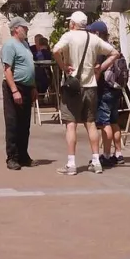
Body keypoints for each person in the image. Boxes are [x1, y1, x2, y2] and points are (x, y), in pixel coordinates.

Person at [52, 11, 117, 175]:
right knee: (91, 123)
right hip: (91, 86)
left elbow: (55, 50)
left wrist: (63, 66)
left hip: (73, 86)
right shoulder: (93, 38)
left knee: (71, 124)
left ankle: (71, 164)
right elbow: (114, 53)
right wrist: (100, 68)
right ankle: (96, 161)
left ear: (73, 24)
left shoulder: (69, 36)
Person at [89, 20, 127, 168]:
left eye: (91, 32)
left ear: (97, 33)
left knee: (104, 123)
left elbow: (97, 70)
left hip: (104, 90)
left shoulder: (100, 50)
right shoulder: (113, 47)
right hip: (116, 89)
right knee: (113, 122)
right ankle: (118, 154)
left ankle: (105, 155)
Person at [0, 17, 35, 170]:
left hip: (27, 88)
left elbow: (29, 66)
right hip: (14, 87)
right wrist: (14, 90)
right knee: (13, 123)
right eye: (24, 28)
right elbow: (7, 70)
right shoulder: (10, 45)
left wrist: (33, 87)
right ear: (16, 29)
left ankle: (23, 154)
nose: (26, 30)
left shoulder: (25, 44)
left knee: (24, 124)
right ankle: (12, 157)